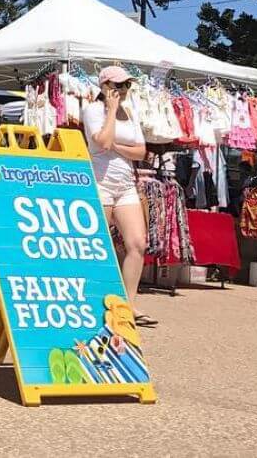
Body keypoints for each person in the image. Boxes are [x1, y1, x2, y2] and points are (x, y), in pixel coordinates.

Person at [82, 66, 155, 327]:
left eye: (126, 86)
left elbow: (141, 152)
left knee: (137, 243)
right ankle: (96, 300)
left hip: (125, 184)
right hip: (100, 183)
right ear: (104, 87)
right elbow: (101, 141)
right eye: (117, 86)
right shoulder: (92, 110)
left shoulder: (131, 113)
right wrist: (111, 111)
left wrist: (115, 146)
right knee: (100, 246)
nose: (123, 90)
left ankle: (128, 303)